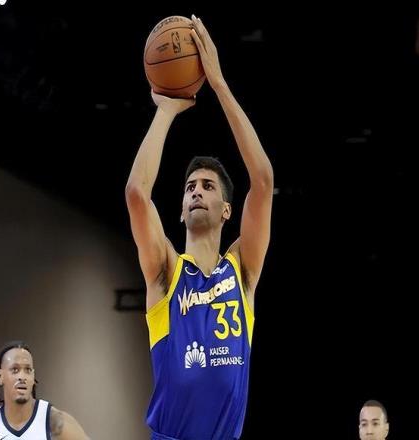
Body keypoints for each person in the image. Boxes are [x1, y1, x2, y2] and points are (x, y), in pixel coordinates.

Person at [125, 14, 273, 440]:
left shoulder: (242, 270)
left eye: (207, 187)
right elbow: (136, 193)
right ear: (180, 209)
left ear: (227, 210)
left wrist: (219, 84)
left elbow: (263, 180)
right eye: (190, 187)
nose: (196, 192)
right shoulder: (167, 271)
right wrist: (166, 110)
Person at [0, 341, 90, 440]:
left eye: (28, 370)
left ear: (33, 376)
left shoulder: (55, 423)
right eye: (15, 370)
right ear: (0, 376)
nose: (22, 377)